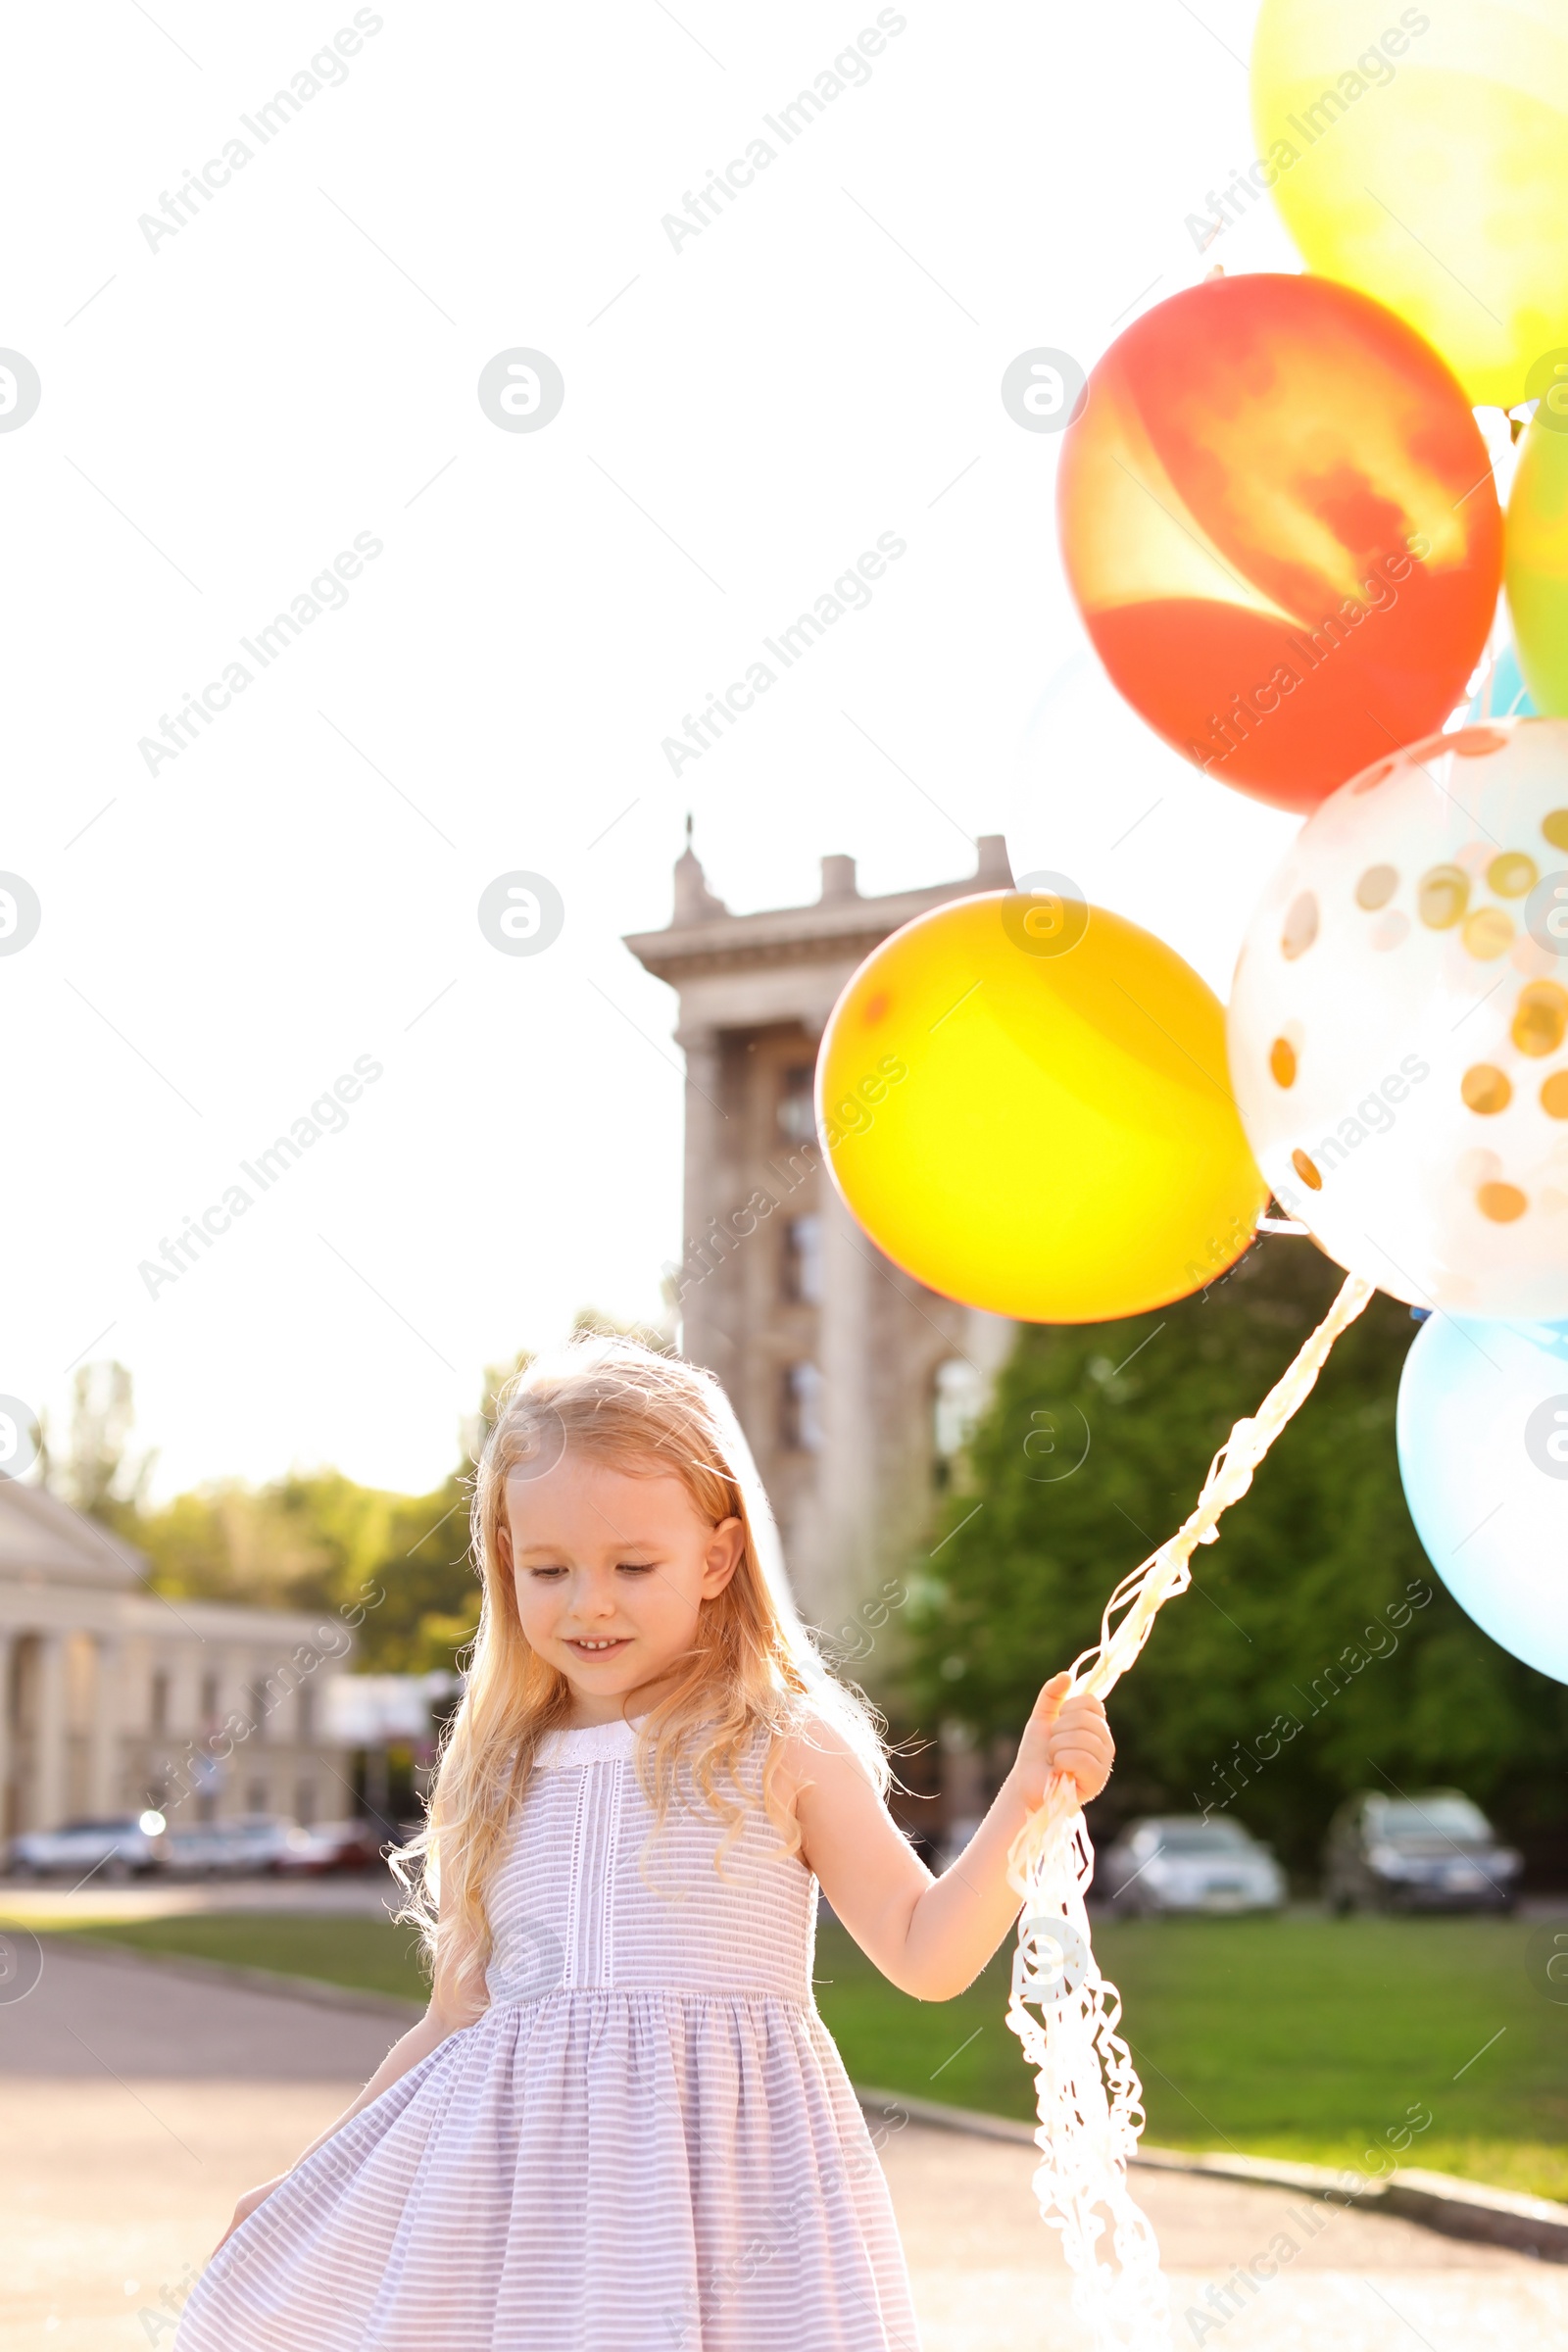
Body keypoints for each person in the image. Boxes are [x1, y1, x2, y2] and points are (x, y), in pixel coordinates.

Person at [176, 1335, 1113, 2351]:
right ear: (504, 1560)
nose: (590, 1603)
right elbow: (452, 2021)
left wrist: (1028, 1795)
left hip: (732, 2219)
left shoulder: (780, 1745)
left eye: (633, 1564)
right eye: (550, 1568)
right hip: (520, 2228)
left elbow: (927, 1951)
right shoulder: (494, 1769)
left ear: (716, 1558)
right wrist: (307, 2181)